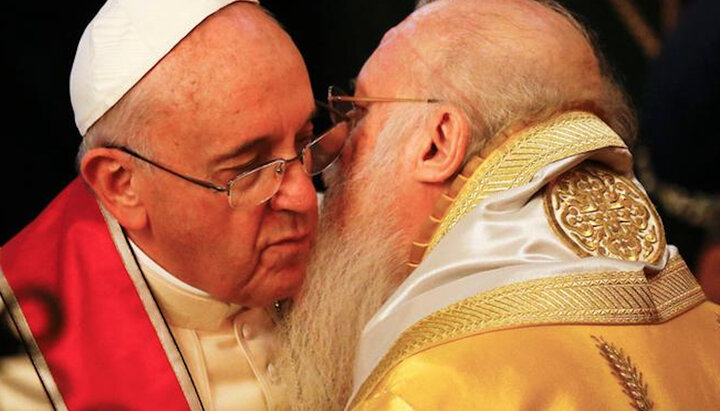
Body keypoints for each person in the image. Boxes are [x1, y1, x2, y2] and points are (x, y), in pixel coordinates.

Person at [274, 0, 720, 409]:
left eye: (358, 113)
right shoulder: (706, 328)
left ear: (438, 143)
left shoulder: (429, 388)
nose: (334, 147)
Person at [0, 0, 347, 409]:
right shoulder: (19, 368)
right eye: (251, 169)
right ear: (121, 185)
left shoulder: (350, 239)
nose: (305, 198)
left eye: (305, 142)